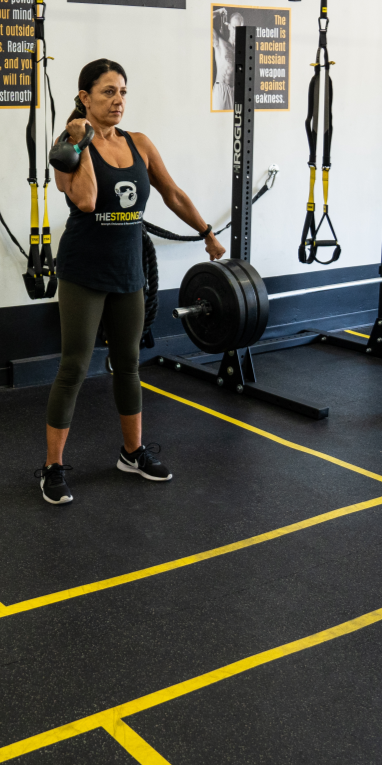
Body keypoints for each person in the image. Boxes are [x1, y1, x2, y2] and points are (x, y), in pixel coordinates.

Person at [38, 58, 226, 504]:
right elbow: (86, 200)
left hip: (128, 271)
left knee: (128, 364)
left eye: (122, 91)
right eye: (108, 92)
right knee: (74, 367)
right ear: (84, 97)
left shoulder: (139, 143)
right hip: (84, 271)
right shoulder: (65, 148)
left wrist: (205, 232)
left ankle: (132, 452)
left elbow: (172, 192)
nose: (118, 100)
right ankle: (52, 468)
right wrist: (82, 140)